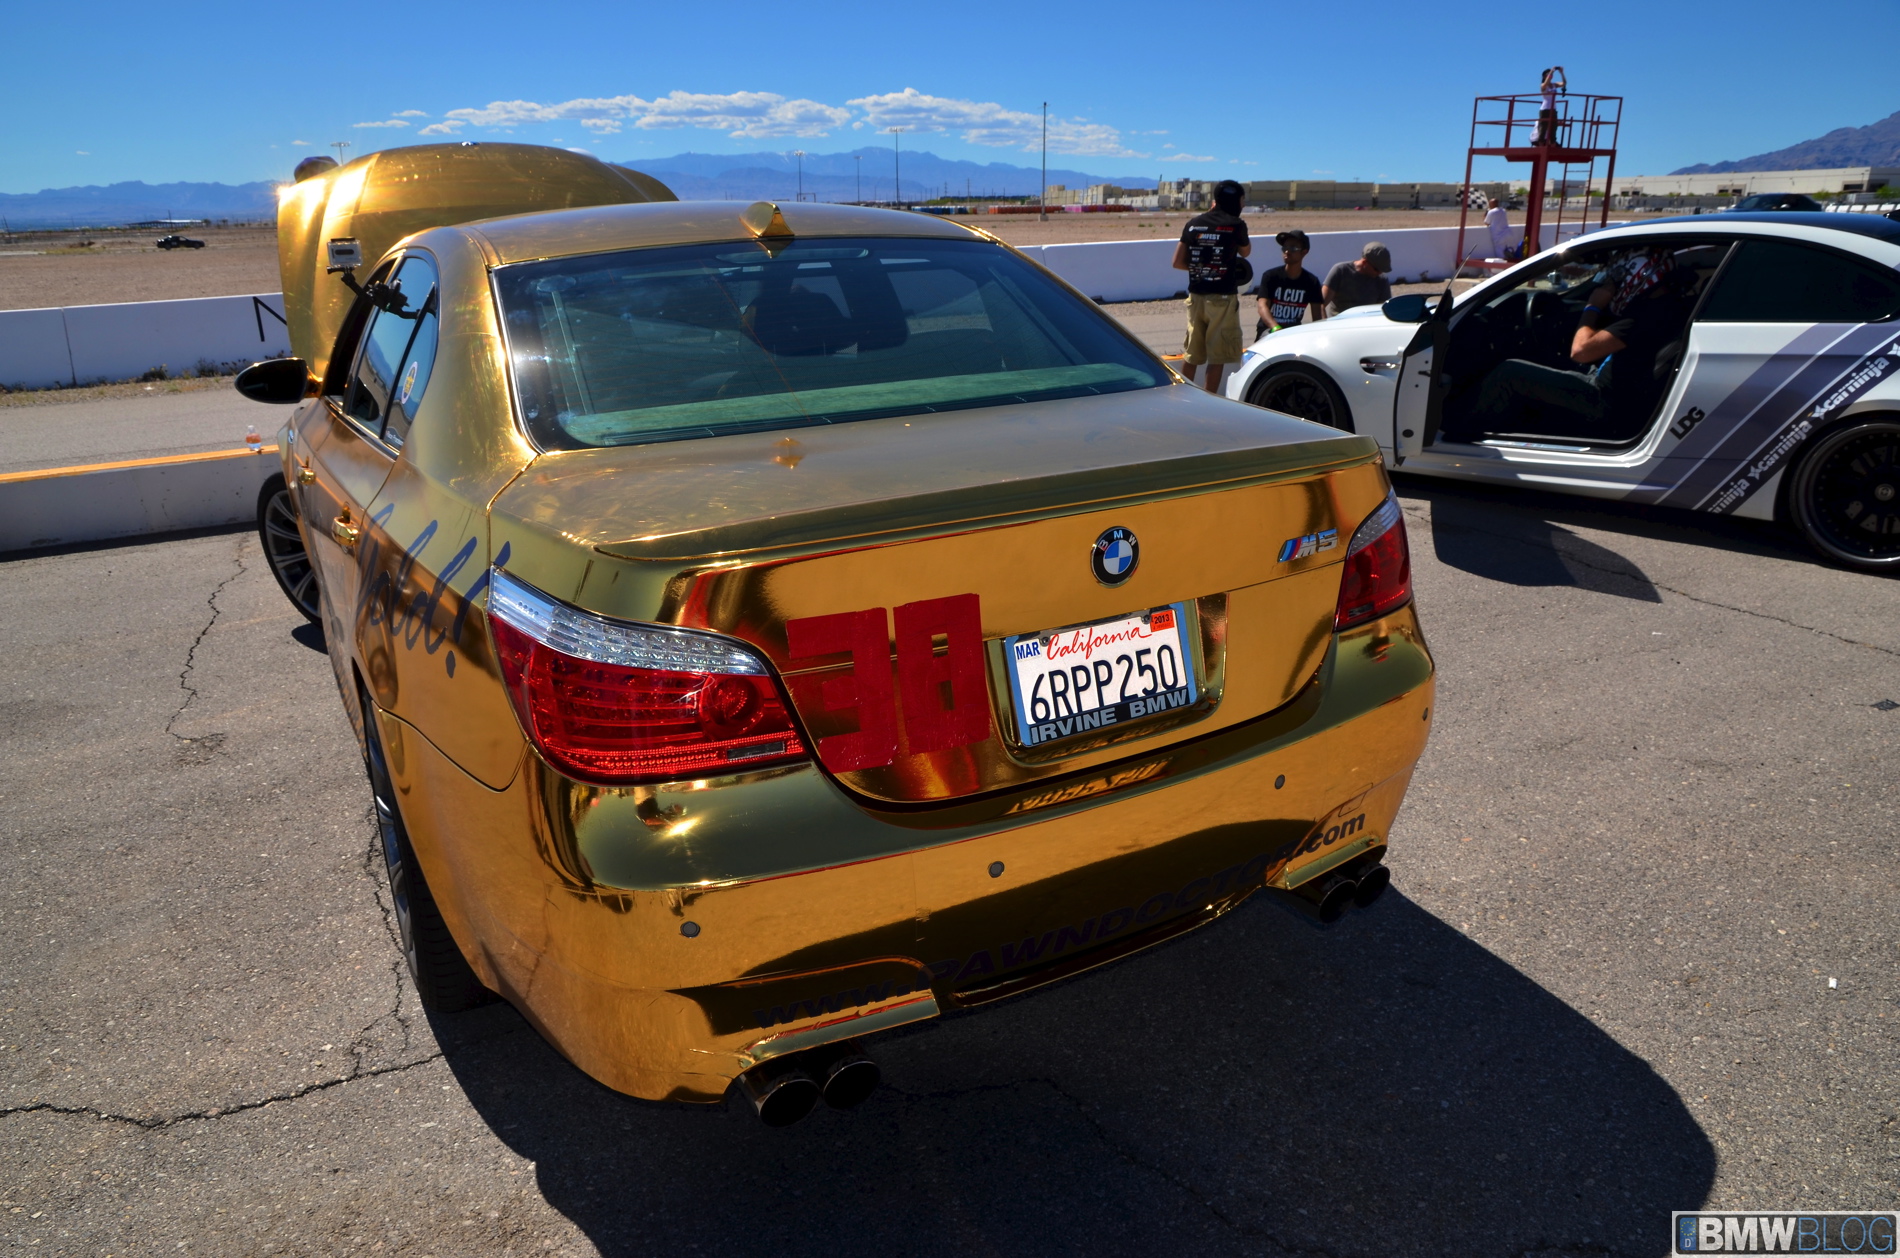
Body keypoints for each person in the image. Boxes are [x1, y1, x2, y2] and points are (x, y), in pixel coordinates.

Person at [1446, 246, 1694, 443]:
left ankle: (1457, 430)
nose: (1612, 287)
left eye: (1617, 281)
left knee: (1509, 372)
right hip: (1612, 384)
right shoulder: (1668, 307)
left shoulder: (1645, 315)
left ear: (1637, 276)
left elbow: (1580, 351)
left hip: (1602, 399)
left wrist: (1592, 307)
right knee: (1540, 358)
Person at [1171, 179, 1252, 393]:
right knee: (1218, 356)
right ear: (1235, 201)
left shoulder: (1193, 223)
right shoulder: (1236, 224)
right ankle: (1209, 400)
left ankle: (1183, 396)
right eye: (1242, 200)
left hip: (1196, 297)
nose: (1243, 205)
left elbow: (1177, 262)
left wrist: (1202, 268)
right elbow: (1246, 252)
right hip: (1222, 298)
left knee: (1192, 353)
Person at [1255, 229, 1325, 339]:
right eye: (1285, 248)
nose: (1287, 251)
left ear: (1304, 252)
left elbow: (1317, 317)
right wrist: (1276, 328)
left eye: (1293, 248)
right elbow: (1262, 306)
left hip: (1293, 333)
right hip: (1269, 330)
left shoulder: (1311, 282)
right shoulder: (1271, 276)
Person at [1322, 242, 1392, 315]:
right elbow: (1321, 304)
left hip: (1365, 321)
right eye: (1376, 269)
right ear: (1364, 262)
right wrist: (1324, 321)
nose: (1379, 273)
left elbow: (1384, 310)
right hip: (1339, 320)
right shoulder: (1340, 271)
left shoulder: (1381, 280)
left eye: (1382, 270)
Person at [1535, 66, 1566, 146]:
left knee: (1554, 127)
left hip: (1553, 108)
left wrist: (1562, 73)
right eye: (1548, 74)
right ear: (1544, 76)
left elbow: (1564, 83)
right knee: (1543, 127)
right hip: (1545, 109)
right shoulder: (1543, 85)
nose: (1551, 75)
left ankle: (1552, 143)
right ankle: (1541, 144)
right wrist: (1551, 71)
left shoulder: (1554, 85)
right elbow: (1546, 83)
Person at [1483, 195, 1521, 261]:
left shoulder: (1491, 212)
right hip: (1508, 234)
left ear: (1492, 204)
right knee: (1511, 252)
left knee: (1501, 257)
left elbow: (1486, 222)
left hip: (1498, 236)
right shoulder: (1503, 210)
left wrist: (1485, 214)